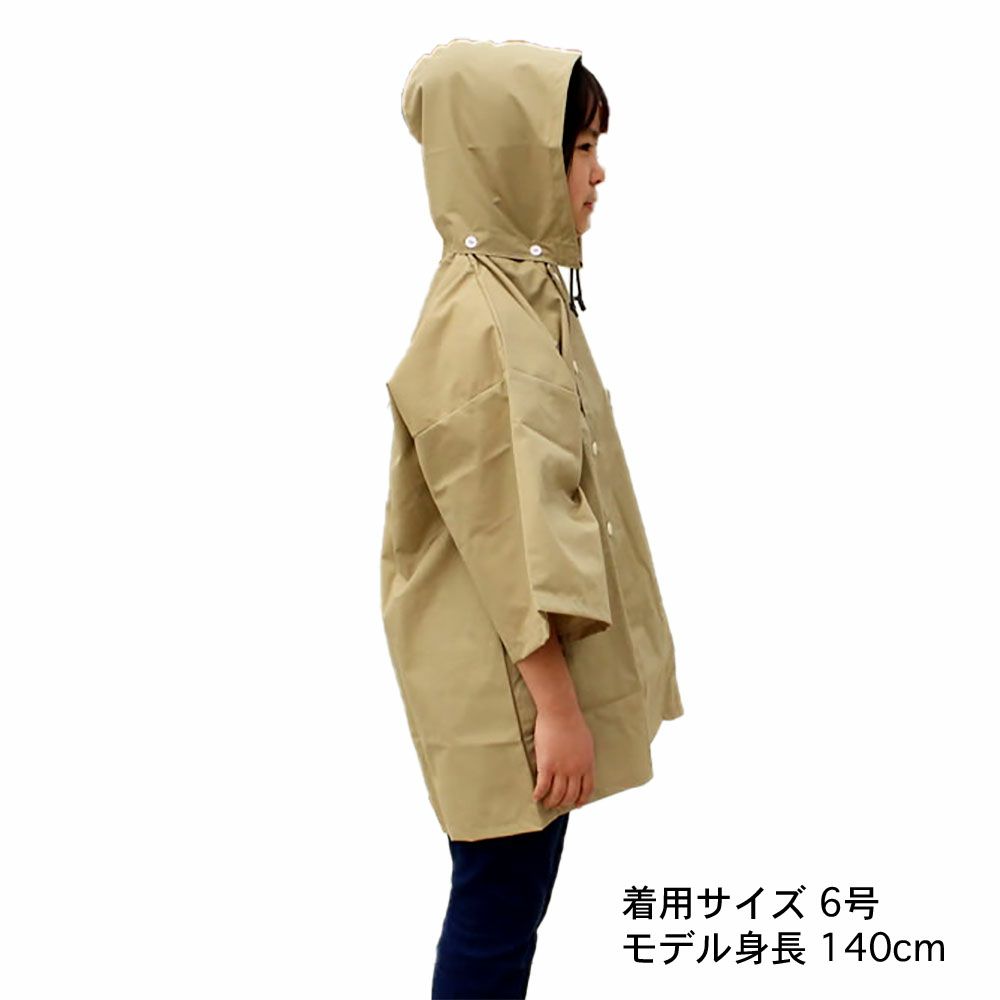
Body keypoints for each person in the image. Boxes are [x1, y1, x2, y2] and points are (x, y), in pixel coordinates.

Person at [382, 39, 684, 998]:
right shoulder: (484, 322)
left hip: (511, 670)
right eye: (582, 147)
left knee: (507, 903)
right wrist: (556, 707)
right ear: (515, 157)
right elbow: (504, 537)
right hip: (507, 681)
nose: (600, 172)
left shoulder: (522, 291)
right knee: (497, 913)